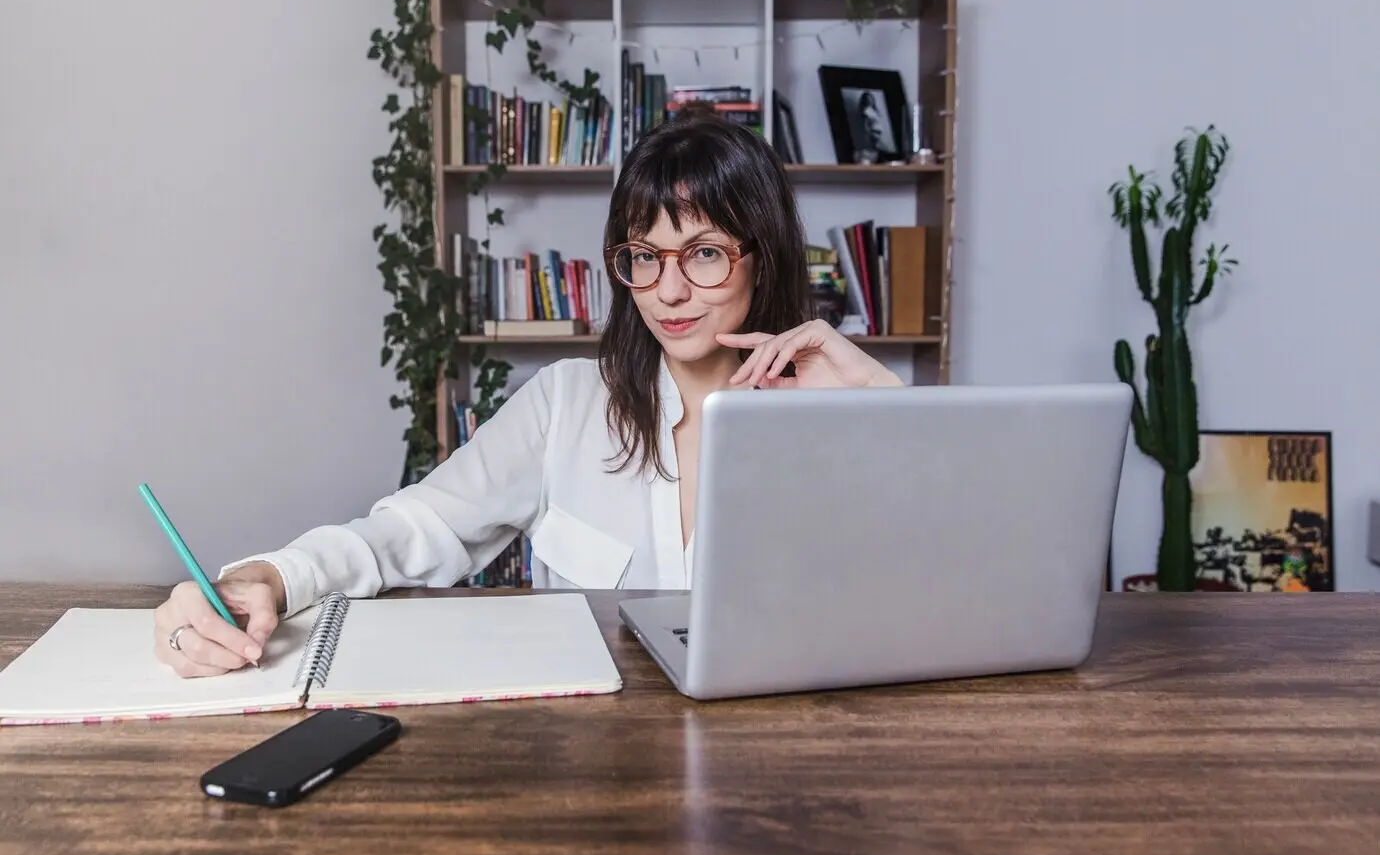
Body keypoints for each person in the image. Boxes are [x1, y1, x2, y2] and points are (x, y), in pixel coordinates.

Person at [152, 111, 903, 678]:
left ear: (762, 258)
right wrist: (274, 577)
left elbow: (931, 599)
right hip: (592, 759)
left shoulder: (838, 417)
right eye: (644, 255)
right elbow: (411, 529)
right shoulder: (567, 404)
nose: (668, 289)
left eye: (704, 253)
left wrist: (883, 412)